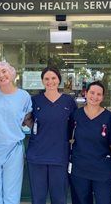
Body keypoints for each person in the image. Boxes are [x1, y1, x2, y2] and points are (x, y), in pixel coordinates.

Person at [0, 61, 32, 204]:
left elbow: (28, 120)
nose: (1, 75)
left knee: (12, 192)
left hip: (13, 149)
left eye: (4, 71)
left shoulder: (24, 96)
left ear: (12, 72)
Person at [26, 66, 77, 204]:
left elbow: (75, 125)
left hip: (60, 157)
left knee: (59, 199)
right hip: (37, 157)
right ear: (42, 81)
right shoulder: (34, 100)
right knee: (38, 199)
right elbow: (27, 120)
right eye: (46, 79)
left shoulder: (68, 101)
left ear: (59, 80)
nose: (50, 81)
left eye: (53, 78)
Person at [69, 81, 111, 204]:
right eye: (92, 92)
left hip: (103, 171)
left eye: (99, 94)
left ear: (102, 97)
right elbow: (68, 140)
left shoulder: (110, 118)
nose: (95, 96)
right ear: (85, 93)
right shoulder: (75, 116)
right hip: (79, 170)